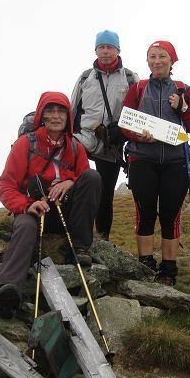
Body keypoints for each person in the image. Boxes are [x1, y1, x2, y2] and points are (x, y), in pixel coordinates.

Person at [0, 92, 101, 319]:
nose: (55, 116)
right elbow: (5, 185)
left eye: (61, 111)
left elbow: (85, 176)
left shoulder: (75, 146)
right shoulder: (25, 144)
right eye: (50, 111)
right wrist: (25, 205)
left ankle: (78, 248)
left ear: (68, 117)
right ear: (42, 115)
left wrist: (70, 181)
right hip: (33, 210)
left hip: (66, 211)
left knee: (92, 177)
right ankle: (6, 289)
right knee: (24, 228)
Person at [121, 40, 190, 286]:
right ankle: (145, 265)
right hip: (142, 159)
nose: (157, 61)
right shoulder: (138, 88)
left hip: (175, 161)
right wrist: (138, 136)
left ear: (172, 60)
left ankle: (168, 270)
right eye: (152, 56)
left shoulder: (183, 88)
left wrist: (183, 106)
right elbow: (125, 123)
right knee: (144, 213)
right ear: (147, 61)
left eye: (162, 56)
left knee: (170, 215)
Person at [70, 30, 138, 240]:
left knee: (105, 194)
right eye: (102, 47)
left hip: (111, 144)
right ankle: (76, 235)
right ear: (96, 50)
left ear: (118, 50)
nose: (105, 51)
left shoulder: (130, 77)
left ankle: (102, 238)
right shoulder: (85, 77)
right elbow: (72, 109)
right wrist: (67, 137)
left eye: (110, 47)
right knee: (75, 186)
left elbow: (136, 113)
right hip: (83, 139)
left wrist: (122, 132)